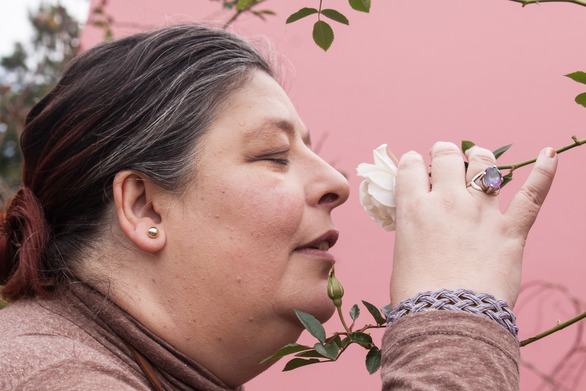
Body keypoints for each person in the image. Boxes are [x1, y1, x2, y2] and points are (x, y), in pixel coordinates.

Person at [0, 24, 558, 390]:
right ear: (144, 207)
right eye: (273, 154)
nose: (337, 183)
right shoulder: (47, 374)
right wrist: (455, 314)